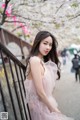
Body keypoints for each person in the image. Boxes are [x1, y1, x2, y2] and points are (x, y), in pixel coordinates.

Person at [24, 31, 74, 120]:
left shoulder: (41, 62)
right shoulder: (34, 60)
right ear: (38, 43)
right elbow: (40, 91)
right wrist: (52, 108)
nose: (48, 47)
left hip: (45, 105)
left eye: (50, 45)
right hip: (40, 108)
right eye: (45, 43)